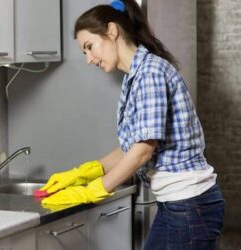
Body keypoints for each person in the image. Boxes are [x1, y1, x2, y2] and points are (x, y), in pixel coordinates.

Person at [39, 0, 225, 249]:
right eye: (85, 52)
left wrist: (92, 191)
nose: (89, 59)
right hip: (180, 205)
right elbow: (133, 146)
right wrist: (84, 172)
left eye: (89, 47)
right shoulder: (135, 77)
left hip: (189, 206)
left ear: (112, 31)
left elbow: (142, 152)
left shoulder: (150, 73)